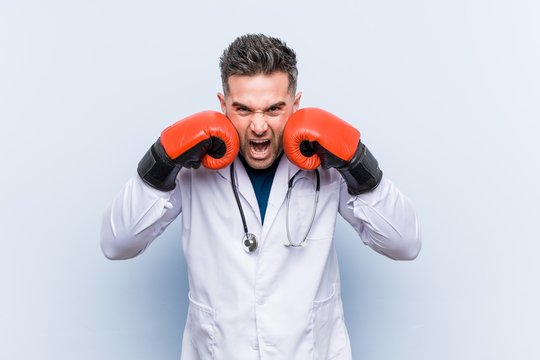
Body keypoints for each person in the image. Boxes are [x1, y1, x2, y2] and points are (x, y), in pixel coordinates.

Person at [101, 34, 421, 360]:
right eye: (242, 109)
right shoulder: (190, 168)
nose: (258, 126)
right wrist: (160, 161)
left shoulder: (328, 166)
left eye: (273, 109)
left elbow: (405, 243)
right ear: (222, 105)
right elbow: (117, 243)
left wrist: (358, 163)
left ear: (296, 106)